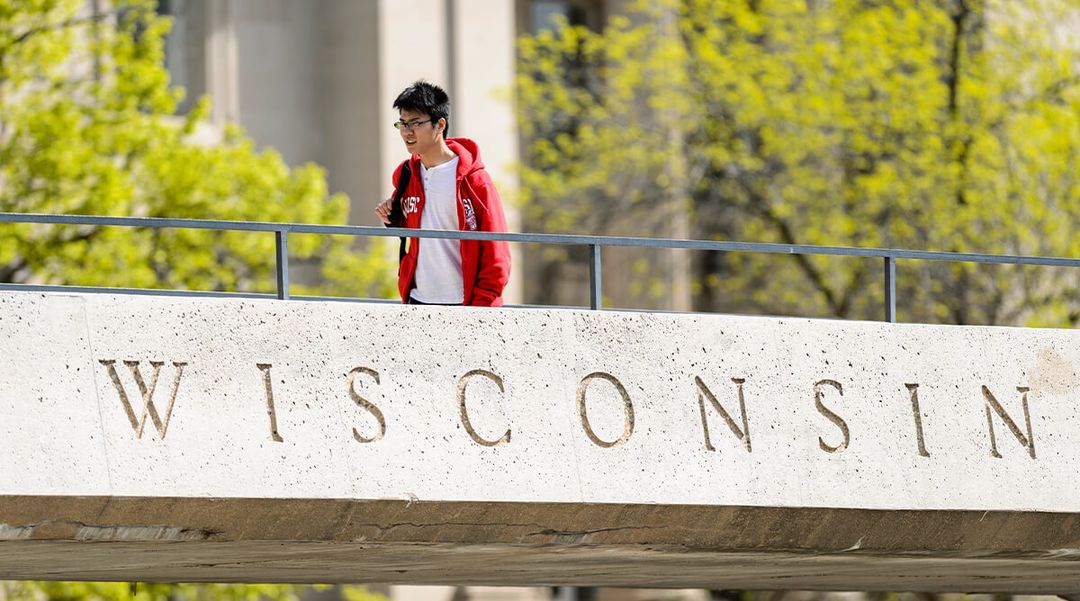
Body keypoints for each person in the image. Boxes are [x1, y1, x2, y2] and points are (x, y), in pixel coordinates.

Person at [375, 80, 511, 307]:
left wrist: (480, 309)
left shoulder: (476, 182)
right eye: (403, 124)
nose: (407, 132)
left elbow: (497, 253)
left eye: (415, 123)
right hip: (417, 299)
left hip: (464, 304)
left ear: (440, 124)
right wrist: (391, 215)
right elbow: (415, 225)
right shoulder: (406, 174)